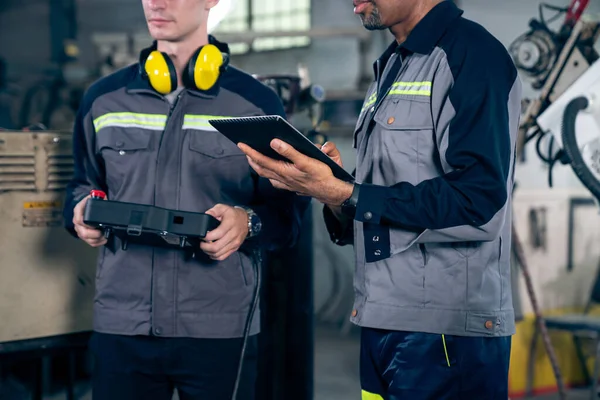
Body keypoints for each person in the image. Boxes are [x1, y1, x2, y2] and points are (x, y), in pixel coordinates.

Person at [238, 0, 521, 398]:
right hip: (381, 319)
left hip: (446, 334)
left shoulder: (472, 56)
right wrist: (328, 190)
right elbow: (380, 199)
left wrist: (347, 192)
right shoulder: (392, 65)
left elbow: (479, 204)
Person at [62, 0, 309, 399]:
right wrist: (78, 210)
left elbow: (288, 217)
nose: (156, 3)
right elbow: (80, 184)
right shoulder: (102, 99)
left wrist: (248, 222)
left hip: (219, 325)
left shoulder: (255, 104)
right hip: (123, 323)